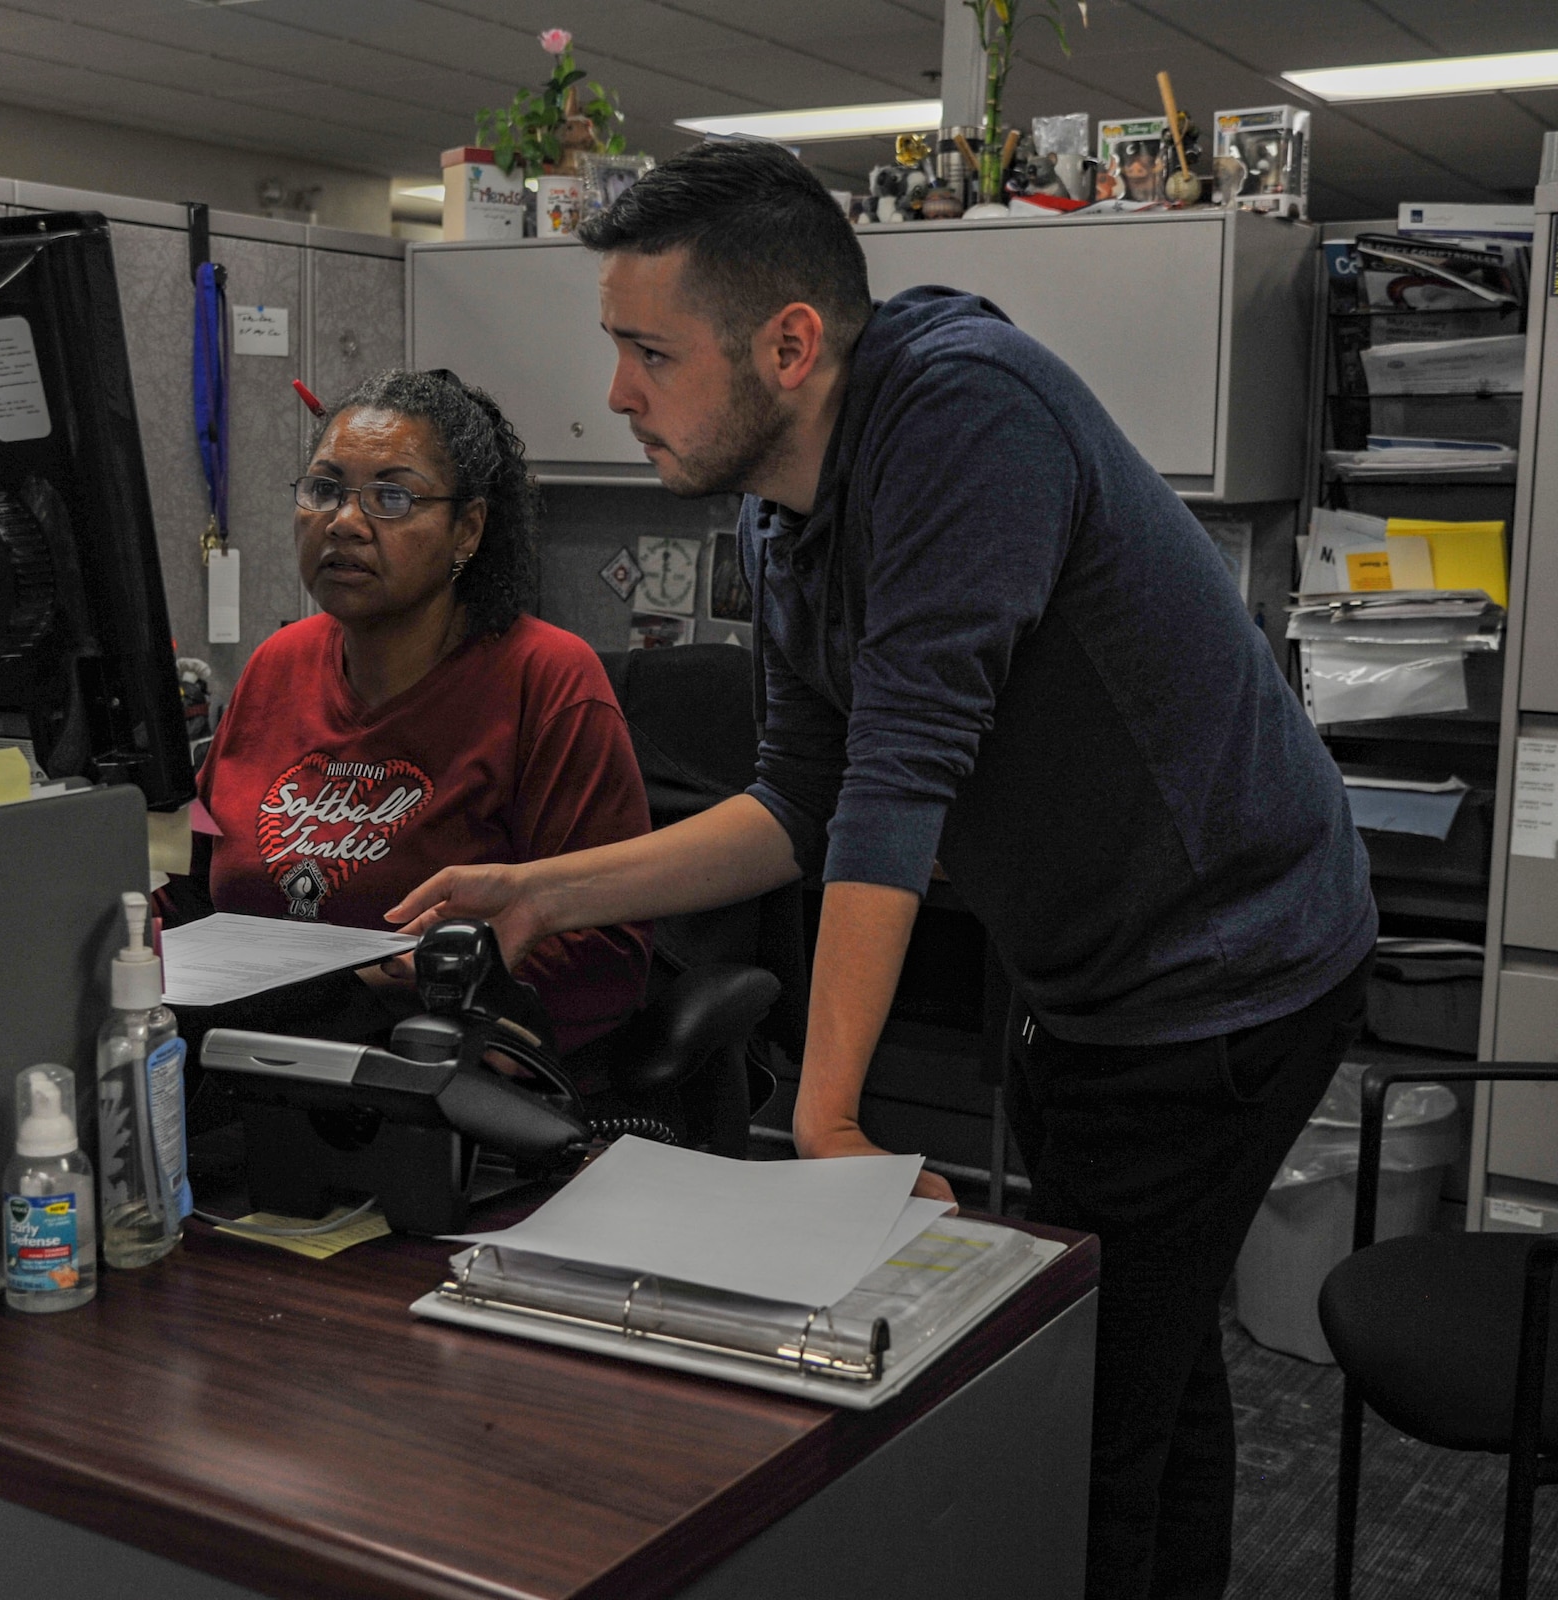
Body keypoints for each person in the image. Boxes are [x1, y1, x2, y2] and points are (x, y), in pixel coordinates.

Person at [386, 141, 1374, 1600]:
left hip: (1224, 977)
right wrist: (552, 888)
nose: (618, 395)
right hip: (1091, 975)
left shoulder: (968, 418)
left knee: (1087, 1407)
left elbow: (898, 786)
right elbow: (801, 796)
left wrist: (827, 1115)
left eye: (650, 352)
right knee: (1148, 1367)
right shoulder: (780, 503)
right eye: (617, 349)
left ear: (790, 345)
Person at [181, 366, 650, 1058]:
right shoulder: (275, 665)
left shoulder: (546, 680)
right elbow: (190, 884)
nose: (344, 522)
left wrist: (430, 987)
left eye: (391, 496)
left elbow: (608, 950)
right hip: (246, 1061)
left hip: (437, 1084)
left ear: (467, 530)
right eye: (324, 490)